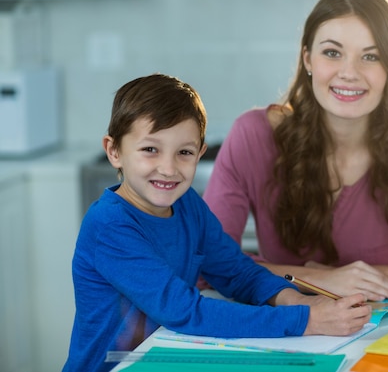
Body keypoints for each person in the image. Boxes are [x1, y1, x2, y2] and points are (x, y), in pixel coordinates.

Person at [203, 0, 388, 300]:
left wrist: (349, 280)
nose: (349, 73)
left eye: (371, 56)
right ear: (307, 60)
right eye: (332, 52)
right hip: (289, 333)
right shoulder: (254, 135)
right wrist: (319, 280)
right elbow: (210, 263)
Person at [62, 74, 371, 372]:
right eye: (150, 150)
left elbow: (237, 273)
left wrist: (296, 301)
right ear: (114, 151)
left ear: (200, 153)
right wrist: (306, 321)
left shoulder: (188, 206)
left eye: (184, 152)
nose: (169, 169)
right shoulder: (110, 225)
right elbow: (185, 312)